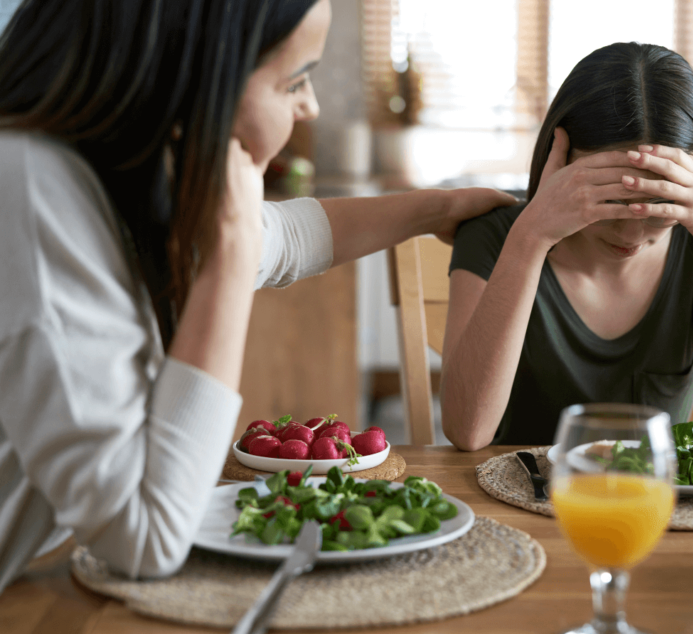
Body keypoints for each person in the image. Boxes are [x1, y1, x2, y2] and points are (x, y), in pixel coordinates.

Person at [0, 0, 514, 592]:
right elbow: (146, 538)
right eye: (293, 80)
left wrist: (438, 209)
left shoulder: (102, 172)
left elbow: (290, 237)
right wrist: (230, 253)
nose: (311, 105)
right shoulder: (35, 197)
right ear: (196, 75)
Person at [442, 43, 693, 452]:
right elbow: (467, 431)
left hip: (658, 511)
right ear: (561, 162)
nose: (630, 233)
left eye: (659, 205)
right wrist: (529, 239)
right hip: (518, 508)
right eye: (609, 199)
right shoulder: (498, 238)